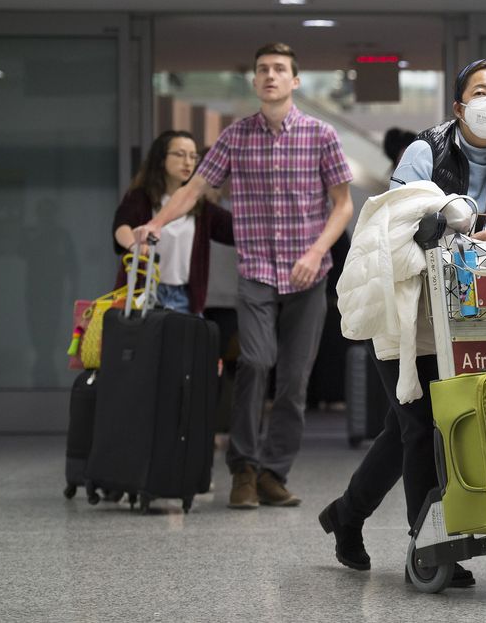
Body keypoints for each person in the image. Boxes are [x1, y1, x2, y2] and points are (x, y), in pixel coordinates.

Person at [319, 58, 486, 587]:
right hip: (407, 308)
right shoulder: (425, 151)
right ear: (458, 106)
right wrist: (451, 228)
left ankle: (346, 515)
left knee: (407, 429)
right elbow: (392, 225)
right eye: (480, 91)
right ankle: (431, 545)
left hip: (464, 312)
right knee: (420, 427)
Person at [132, 43, 354, 510]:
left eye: (279, 69)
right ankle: (244, 470)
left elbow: (342, 205)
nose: (270, 75)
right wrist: (155, 223)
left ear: (295, 81)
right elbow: (195, 189)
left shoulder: (321, 135)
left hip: (308, 274)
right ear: (254, 82)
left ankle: (274, 473)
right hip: (256, 271)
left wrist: (317, 251)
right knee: (254, 361)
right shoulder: (235, 137)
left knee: (294, 380)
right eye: (263, 70)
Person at [112, 130, 234, 315]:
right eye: (180, 154)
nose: (188, 162)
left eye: (193, 157)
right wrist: (133, 246)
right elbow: (121, 226)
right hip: (145, 292)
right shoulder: (141, 198)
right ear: (162, 159)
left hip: (185, 297)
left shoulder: (202, 207)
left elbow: (235, 230)